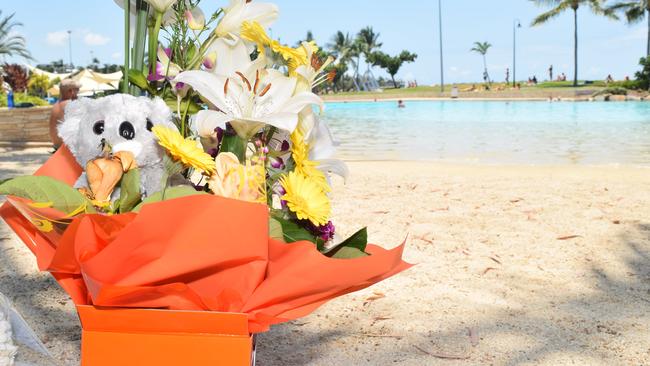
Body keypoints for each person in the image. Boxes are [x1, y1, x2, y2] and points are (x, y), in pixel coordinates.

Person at [49, 79, 81, 149]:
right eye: (77, 90)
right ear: (71, 91)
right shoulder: (71, 104)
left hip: (57, 147)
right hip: (67, 150)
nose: (78, 93)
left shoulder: (56, 105)